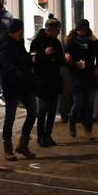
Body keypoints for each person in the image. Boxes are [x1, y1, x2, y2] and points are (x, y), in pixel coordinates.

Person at [0, 19, 38, 161]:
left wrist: (31, 61)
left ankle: (23, 144)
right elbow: (6, 64)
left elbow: (24, 59)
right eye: (21, 29)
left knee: (33, 111)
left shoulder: (19, 43)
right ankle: (7, 148)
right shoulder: (5, 45)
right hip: (12, 85)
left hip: (24, 84)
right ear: (17, 30)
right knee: (10, 116)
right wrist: (18, 73)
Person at [65, 18, 98, 139]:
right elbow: (66, 57)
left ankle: (88, 130)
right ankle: (72, 120)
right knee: (78, 103)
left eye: (82, 30)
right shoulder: (71, 40)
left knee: (90, 104)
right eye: (79, 30)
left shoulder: (92, 39)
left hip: (90, 76)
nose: (80, 32)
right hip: (77, 76)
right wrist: (74, 63)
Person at [31, 18, 64, 147]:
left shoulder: (57, 42)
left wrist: (64, 59)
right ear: (49, 30)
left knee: (52, 109)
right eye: (56, 30)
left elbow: (60, 60)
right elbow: (33, 61)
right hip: (42, 81)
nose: (58, 33)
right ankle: (40, 136)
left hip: (54, 80)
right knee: (43, 108)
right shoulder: (37, 42)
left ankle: (48, 135)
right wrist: (44, 54)